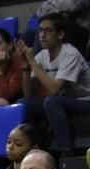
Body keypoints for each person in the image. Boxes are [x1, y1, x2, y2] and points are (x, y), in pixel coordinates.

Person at [20, 13, 90, 156]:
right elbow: (28, 94)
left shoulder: (70, 54)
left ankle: (66, 152)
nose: (42, 35)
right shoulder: (41, 56)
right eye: (40, 30)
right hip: (64, 102)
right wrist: (26, 67)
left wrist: (33, 62)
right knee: (24, 103)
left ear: (60, 34)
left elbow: (54, 90)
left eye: (48, 30)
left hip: (85, 102)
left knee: (52, 101)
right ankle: (33, 148)